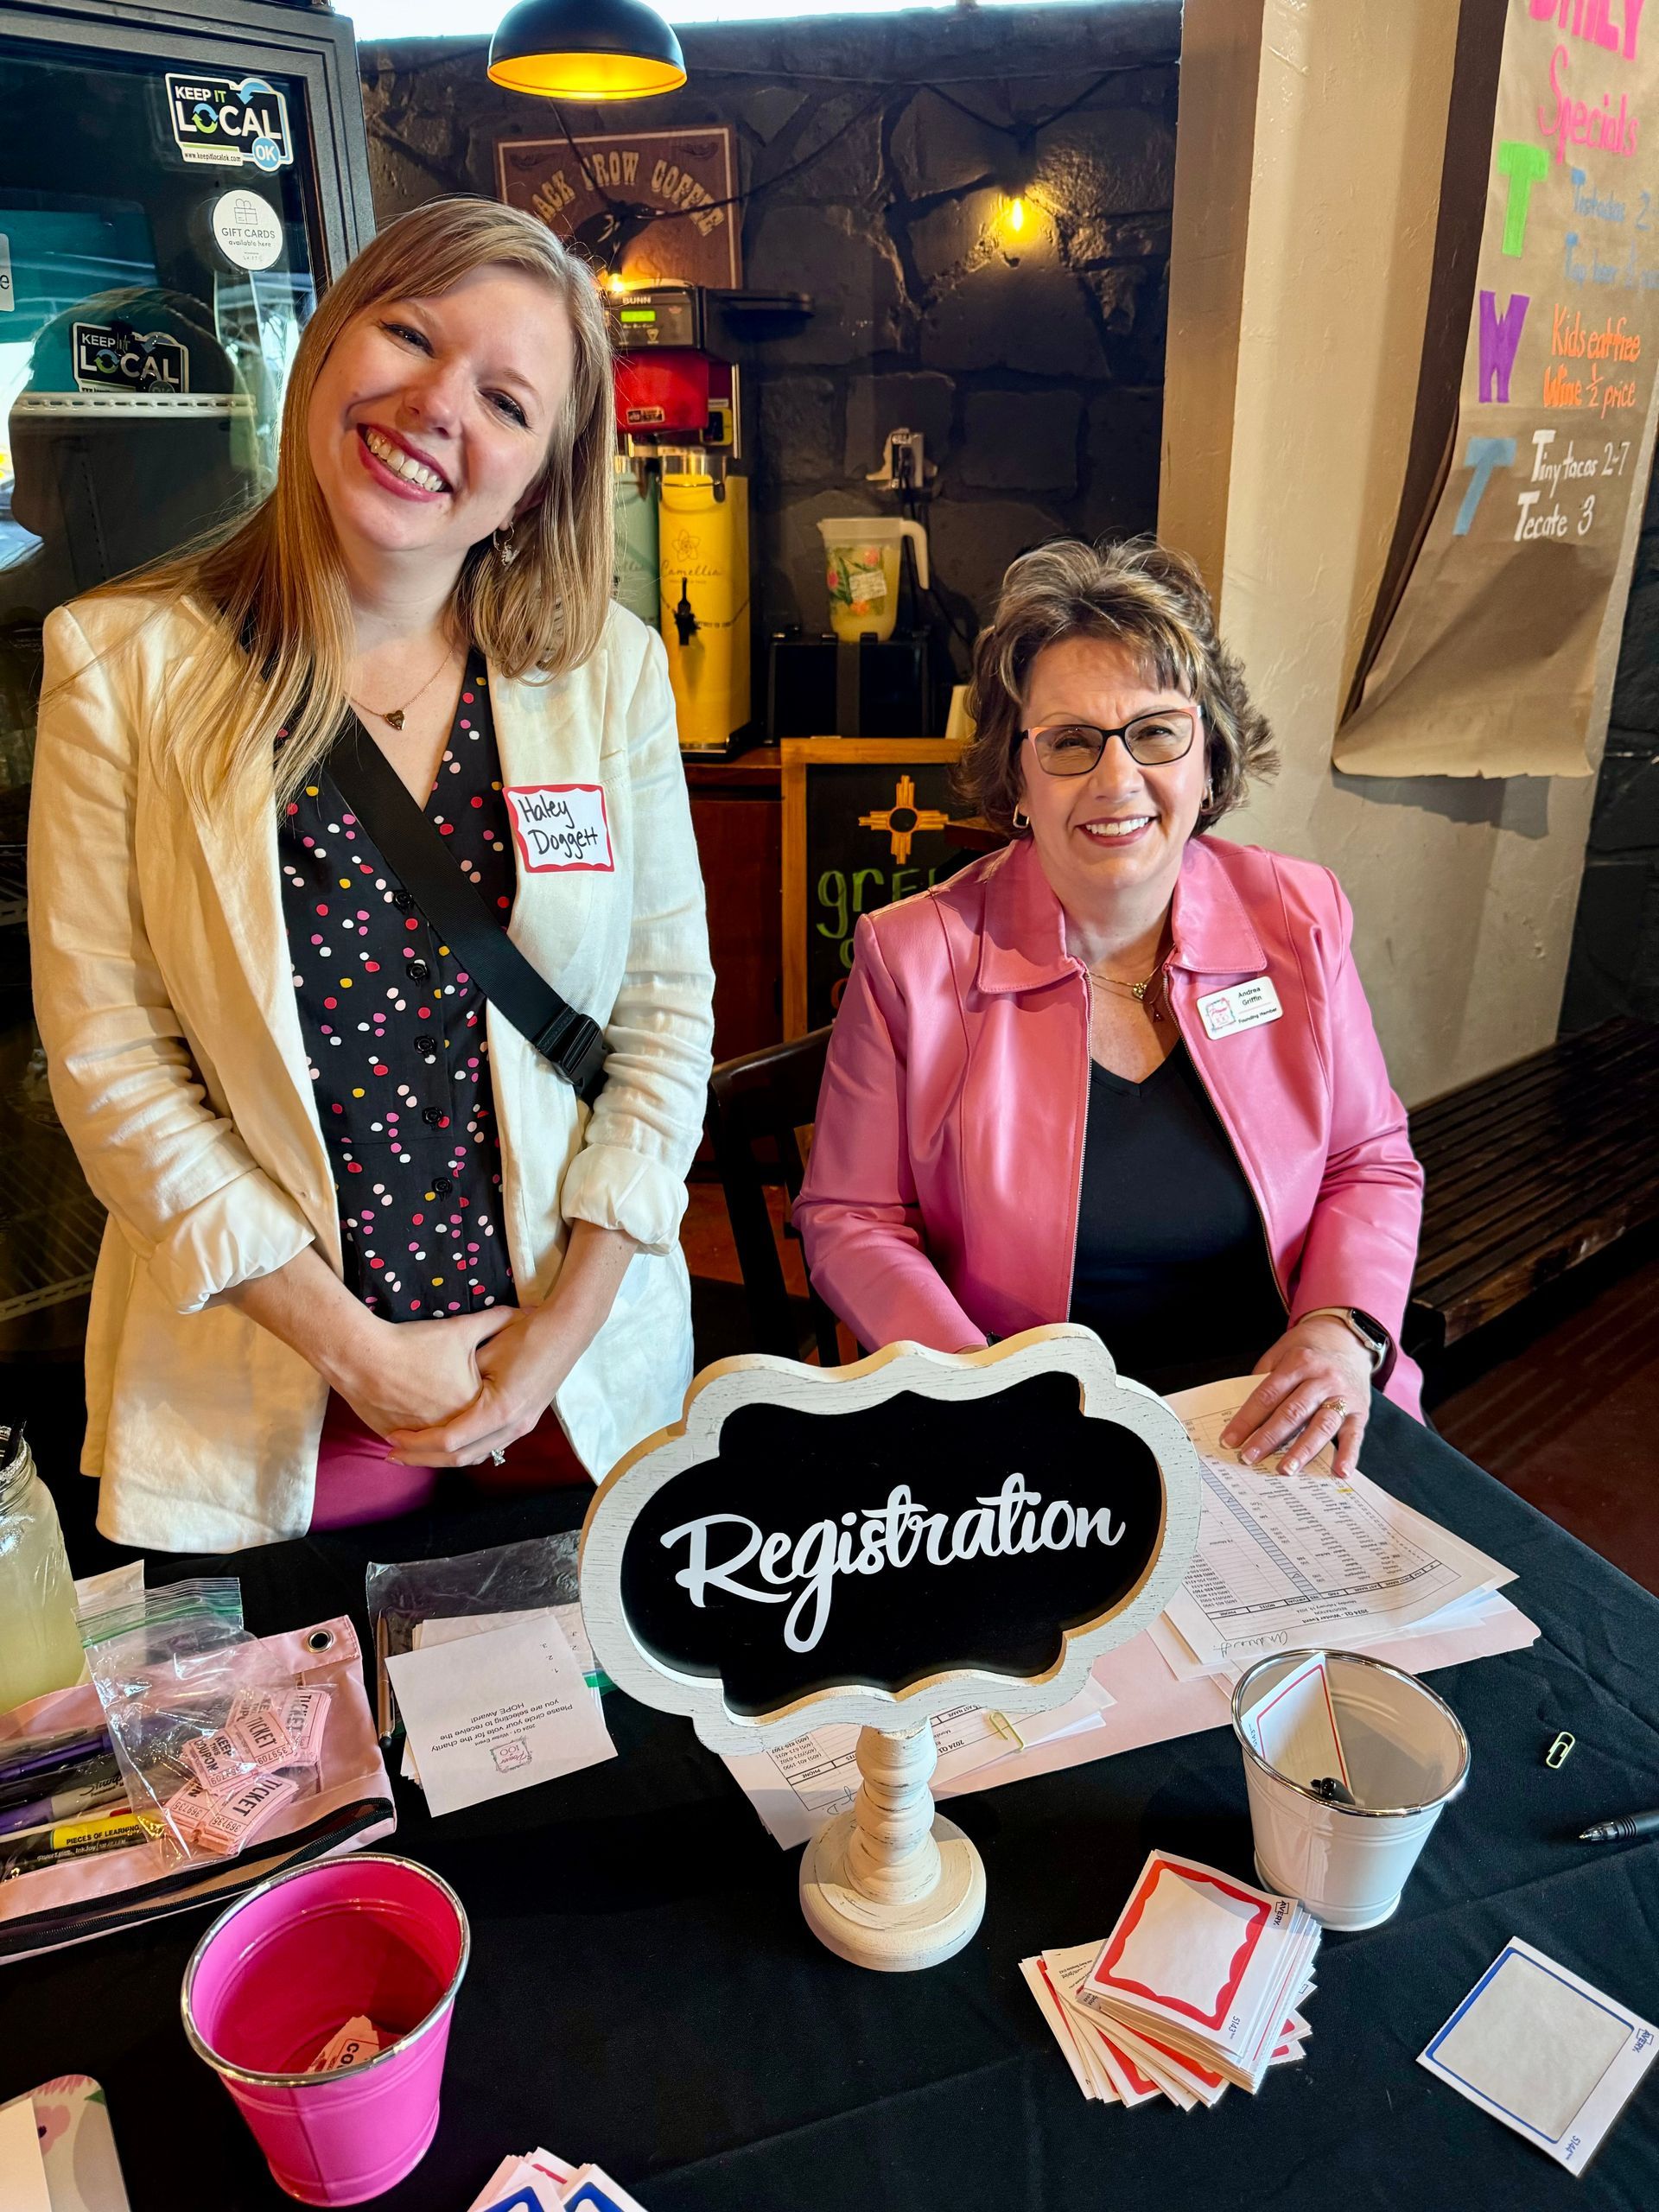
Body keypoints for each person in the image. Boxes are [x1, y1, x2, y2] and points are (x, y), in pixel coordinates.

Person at [29, 198, 714, 1550]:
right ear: (329, 343)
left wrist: (554, 1337)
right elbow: (114, 1069)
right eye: (409, 333)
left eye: (508, 400)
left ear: (541, 478)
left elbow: (663, 1019)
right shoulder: (119, 668)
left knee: (598, 1741)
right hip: (284, 1376)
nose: (438, 404)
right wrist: (364, 1354)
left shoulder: (606, 673)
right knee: (313, 1750)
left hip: (571, 1368)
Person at [795, 537, 1423, 1479]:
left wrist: (1338, 1329)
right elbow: (850, 1218)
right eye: (1071, 742)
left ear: (1209, 758)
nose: (1116, 778)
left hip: (1278, 1417)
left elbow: (1368, 1160)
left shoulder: (1300, 917)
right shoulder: (910, 955)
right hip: (1027, 1441)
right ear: (1019, 779)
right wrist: (984, 1389)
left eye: (1157, 731)